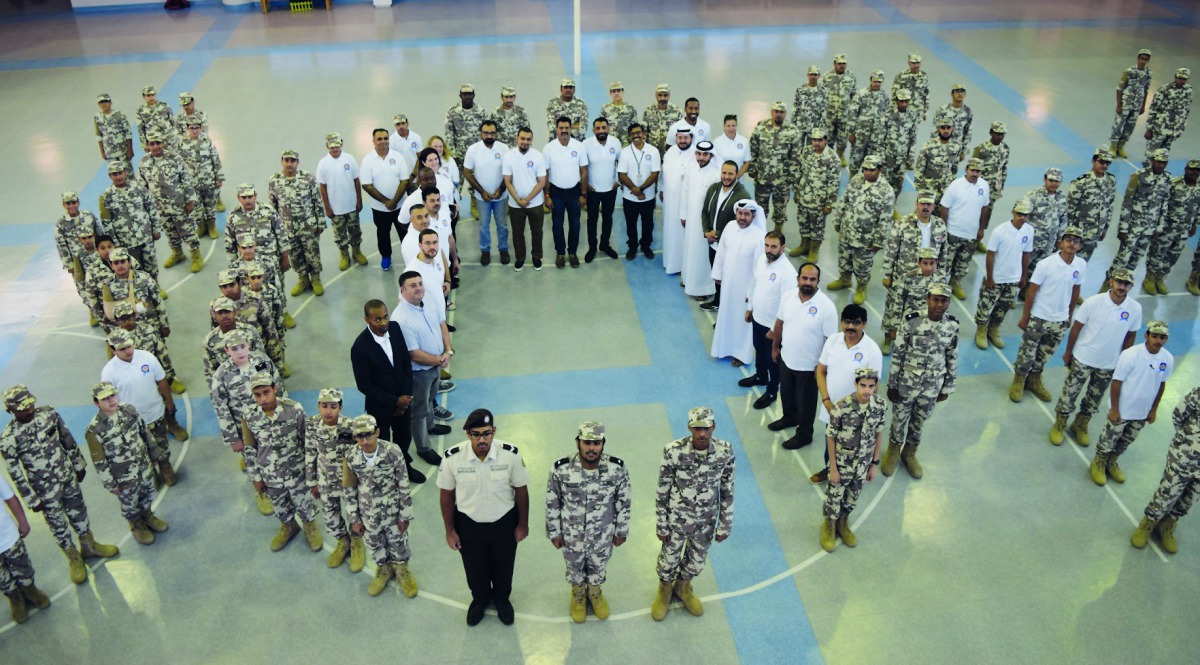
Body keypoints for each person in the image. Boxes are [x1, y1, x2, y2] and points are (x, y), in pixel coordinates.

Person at [0, 385, 119, 585]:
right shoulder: (8, 439)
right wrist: (31, 498)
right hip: (44, 492)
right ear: (10, 411)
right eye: (23, 408)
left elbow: (67, 439)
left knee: (79, 512)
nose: (29, 410)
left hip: (67, 477)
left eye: (30, 404)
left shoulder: (49, 415)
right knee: (58, 525)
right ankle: (73, 558)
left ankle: (89, 546)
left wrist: (78, 464)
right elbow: (15, 473)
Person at [438, 408, 530, 626]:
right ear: (467, 434)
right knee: (474, 568)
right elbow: (446, 495)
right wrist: (450, 530)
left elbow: (521, 491)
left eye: (487, 433)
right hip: (468, 524)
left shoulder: (510, 454)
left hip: (504, 522)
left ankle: (501, 599)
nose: (482, 439)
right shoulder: (453, 457)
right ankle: (479, 599)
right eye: (476, 434)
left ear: (494, 431)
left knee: (504, 566)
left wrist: (522, 524)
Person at [650, 406, 735, 621]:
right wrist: (661, 523)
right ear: (690, 427)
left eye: (706, 428)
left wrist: (725, 523)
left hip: (705, 522)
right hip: (676, 521)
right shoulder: (674, 451)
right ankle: (665, 590)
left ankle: (683, 587)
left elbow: (727, 490)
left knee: (696, 561)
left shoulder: (725, 452)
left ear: (713, 427)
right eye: (697, 428)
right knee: (668, 560)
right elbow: (662, 490)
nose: (702, 433)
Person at [545, 421, 631, 623]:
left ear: (603, 443)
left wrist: (621, 531)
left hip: (603, 534)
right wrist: (554, 532)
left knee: (598, 566)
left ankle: (595, 592)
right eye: (587, 442)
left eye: (596, 443)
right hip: (571, 535)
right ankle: (578, 595)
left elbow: (624, 501)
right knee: (574, 567)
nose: (591, 448)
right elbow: (552, 501)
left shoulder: (616, 469)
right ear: (578, 442)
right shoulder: (561, 469)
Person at [1049, 269, 1142, 446]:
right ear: (1111, 281)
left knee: (1094, 399)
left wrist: (1123, 362)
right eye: (1119, 282)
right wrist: (1068, 353)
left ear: (1131, 287)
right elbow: (1076, 328)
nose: (1121, 287)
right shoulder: (1094, 302)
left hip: (1108, 364)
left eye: (1126, 284)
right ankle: (1059, 424)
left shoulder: (1134, 309)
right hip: (1083, 358)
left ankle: (1080, 425)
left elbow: (1130, 336)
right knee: (1069, 394)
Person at [883, 283, 958, 479]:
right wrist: (892, 384)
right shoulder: (911, 321)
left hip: (931, 387)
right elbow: (898, 354)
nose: (939, 304)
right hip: (906, 384)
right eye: (936, 299)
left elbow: (951, 356)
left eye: (944, 301)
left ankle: (909, 453)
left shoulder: (952, 326)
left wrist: (947, 387)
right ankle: (893, 451)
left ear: (948, 302)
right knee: (899, 419)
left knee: (919, 421)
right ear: (928, 299)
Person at [242, 372, 322, 553]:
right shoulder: (249, 416)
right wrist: (256, 478)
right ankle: (288, 526)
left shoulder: (294, 410)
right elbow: (250, 449)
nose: (262, 399)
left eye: (266, 392)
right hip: (270, 474)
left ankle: (310, 526)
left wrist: (312, 473)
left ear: (275, 389)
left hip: (297, 471)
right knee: (279, 504)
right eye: (257, 395)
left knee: (304, 502)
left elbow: (308, 442)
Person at [350, 299, 426, 484]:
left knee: (403, 437)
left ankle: (404, 466)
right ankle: (388, 475)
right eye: (377, 319)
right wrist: (394, 401)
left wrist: (406, 398)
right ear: (366, 319)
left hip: (404, 400)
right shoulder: (360, 347)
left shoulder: (395, 329)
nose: (383, 322)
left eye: (385, 317)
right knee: (382, 442)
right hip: (380, 407)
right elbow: (364, 385)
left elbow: (405, 364)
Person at [344, 414, 419, 598]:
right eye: (360, 437)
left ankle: (402, 570)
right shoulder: (351, 457)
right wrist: (354, 519)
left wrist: (405, 515)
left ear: (377, 431)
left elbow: (403, 484)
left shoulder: (392, 452)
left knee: (398, 542)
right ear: (355, 437)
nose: (365, 441)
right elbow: (349, 489)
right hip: (368, 513)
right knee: (374, 543)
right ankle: (383, 569)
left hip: (393, 512)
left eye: (369, 435)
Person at [1090, 322, 1174, 486]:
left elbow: (1161, 384)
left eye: (1162, 337)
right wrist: (1114, 408)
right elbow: (1116, 382)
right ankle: (1098, 463)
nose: (1158, 340)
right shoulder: (1130, 354)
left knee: (1126, 440)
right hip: (1123, 409)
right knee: (1109, 439)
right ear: (1146, 336)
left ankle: (1111, 462)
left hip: (1142, 412)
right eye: (1154, 336)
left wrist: (1153, 410)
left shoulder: (1167, 358)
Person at [85, 381, 166, 545]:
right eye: (105, 399)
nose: (111, 401)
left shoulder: (129, 410)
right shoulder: (95, 430)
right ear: (96, 402)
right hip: (123, 477)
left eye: (112, 395)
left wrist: (154, 454)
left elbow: (145, 432)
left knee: (149, 491)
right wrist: (110, 483)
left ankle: (148, 515)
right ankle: (136, 525)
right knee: (130, 502)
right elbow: (99, 461)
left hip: (143, 465)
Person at [210, 330, 281, 515]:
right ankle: (261, 491)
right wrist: (233, 438)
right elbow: (221, 408)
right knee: (252, 459)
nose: (240, 352)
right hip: (245, 429)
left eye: (243, 346)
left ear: (249, 344)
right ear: (227, 350)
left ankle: (278, 481)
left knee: (275, 452)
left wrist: (283, 415)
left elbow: (279, 388)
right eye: (234, 349)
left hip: (270, 420)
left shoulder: (262, 361)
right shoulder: (221, 375)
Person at [1010, 226, 1086, 402]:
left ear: (1080, 246)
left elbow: (1075, 291)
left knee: (1044, 354)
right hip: (1039, 317)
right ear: (1061, 242)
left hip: (1059, 320)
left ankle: (1034, 380)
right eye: (1068, 239)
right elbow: (1032, 291)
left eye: (1076, 241)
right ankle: (1019, 380)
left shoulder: (1080, 265)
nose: (1072, 243)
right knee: (1027, 353)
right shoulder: (1046, 264)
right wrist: (1025, 316)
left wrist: (1069, 315)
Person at [810, 304, 883, 483]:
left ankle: (852, 479)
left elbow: (874, 386)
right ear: (841, 322)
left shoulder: (872, 351)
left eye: (856, 323)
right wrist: (826, 400)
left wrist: (858, 412)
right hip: (831, 408)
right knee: (831, 441)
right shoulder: (833, 341)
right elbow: (820, 371)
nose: (850, 327)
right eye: (847, 322)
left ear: (864, 324)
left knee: (852, 449)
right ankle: (829, 470)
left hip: (855, 413)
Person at [770, 263, 838, 449]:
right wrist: (775, 347)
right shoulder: (788, 297)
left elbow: (830, 341)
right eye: (804, 278)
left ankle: (805, 433)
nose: (807, 282)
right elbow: (779, 323)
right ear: (798, 279)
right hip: (787, 358)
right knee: (786, 393)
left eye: (812, 279)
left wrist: (821, 367)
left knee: (806, 403)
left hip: (809, 367)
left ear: (818, 281)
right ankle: (789, 417)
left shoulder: (826, 307)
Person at [100, 329, 180, 486]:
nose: (128, 351)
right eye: (122, 349)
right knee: (140, 450)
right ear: (113, 350)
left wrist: (169, 402)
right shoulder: (109, 372)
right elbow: (108, 401)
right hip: (132, 422)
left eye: (129, 346)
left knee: (161, 444)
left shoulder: (148, 358)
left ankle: (165, 467)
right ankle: (150, 473)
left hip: (155, 413)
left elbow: (161, 380)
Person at [819, 366, 886, 552]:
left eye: (871, 386)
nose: (866, 390)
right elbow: (830, 437)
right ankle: (829, 526)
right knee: (834, 497)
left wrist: (874, 463)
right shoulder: (841, 407)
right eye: (862, 385)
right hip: (841, 463)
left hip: (862, 464)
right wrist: (832, 468)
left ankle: (842, 522)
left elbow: (878, 434)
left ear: (875, 386)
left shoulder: (880, 406)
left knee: (852, 497)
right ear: (855, 384)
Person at [1131, 386, 1200, 554]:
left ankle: (1167, 525)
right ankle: (1148, 523)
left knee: (1191, 497)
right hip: (1184, 455)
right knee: (1168, 492)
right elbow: (1179, 414)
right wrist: (1185, 441)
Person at [395, 271, 453, 467]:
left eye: (420, 283)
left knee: (430, 399)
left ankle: (430, 425)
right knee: (418, 411)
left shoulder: (427, 300)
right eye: (413, 285)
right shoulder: (401, 319)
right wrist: (439, 360)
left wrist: (448, 350)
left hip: (436, 365)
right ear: (402, 290)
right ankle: (424, 448)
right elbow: (414, 354)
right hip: (419, 372)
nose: (419, 287)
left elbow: (441, 324)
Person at [880, 191, 948, 353]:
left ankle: (914, 339)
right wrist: (887, 274)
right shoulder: (902, 224)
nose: (925, 207)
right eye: (922, 203)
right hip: (903, 275)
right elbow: (891, 250)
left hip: (930, 277)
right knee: (894, 307)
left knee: (922, 309)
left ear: (933, 206)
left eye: (929, 204)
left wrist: (942, 276)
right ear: (916, 204)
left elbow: (944, 253)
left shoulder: (939, 226)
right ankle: (889, 337)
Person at [306, 388, 362, 572]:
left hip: (347, 483)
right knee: (330, 515)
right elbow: (310, 453)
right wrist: (312, 481)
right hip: (325, 481)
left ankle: (356, 544)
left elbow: (358, 456)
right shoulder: (313, 425)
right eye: (324, 406)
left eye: (333, 406)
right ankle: (342, 542)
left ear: (341, 407)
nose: (328, 411)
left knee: (354, 515)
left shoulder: (350, 427)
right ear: (318, 406)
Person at [827, 154, 894, 304]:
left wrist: (879, 241)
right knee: (844, 259)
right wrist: (837, 219)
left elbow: (886, 219)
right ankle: (844, 279)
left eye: (871, 170)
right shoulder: (856, 180)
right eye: (865, 169)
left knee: (862, 266)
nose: (867, 173)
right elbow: (844, 199)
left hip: (866, 238)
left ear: (880, 169)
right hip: (847, 230)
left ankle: (861, 288)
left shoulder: (886, 191)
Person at [741, 230, 796, 408]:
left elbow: (787, 304)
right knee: (759, 350)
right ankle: (760, 376)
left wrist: (775, 329)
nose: (769, 249)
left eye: (773, 246)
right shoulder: (762, 261)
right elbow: (754, 283)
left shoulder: (787, 272)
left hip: (772, 326)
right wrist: (750, 308)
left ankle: (772, 390)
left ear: (783, 248)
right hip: (758, 318)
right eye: (766, 245)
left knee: (773, 359)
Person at [710, 198, 766, 365]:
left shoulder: (759, 237)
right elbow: (721, 252)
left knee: (743, 322)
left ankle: (741, 354)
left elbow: (759, 270)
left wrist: (752, 293)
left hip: (745, 289)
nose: (742, 217)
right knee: (726, 315)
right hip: (728, 285)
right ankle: (722, 348)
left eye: (746, 214)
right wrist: (717, 274)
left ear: (753, 216)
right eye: (740, 213)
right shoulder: (729, 227)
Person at [137, 130, 201, 274]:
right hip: (159, 207)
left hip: (179, 204)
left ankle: (196, 255)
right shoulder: (144, 162)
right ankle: (178, 253)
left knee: (187, 230)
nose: (156, 147)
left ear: (163, 143)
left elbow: (186, 180)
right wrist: (146, 208)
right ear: (148, 145)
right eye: (152, 144)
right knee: (170, 232)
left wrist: (189, 201)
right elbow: (142, 186)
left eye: (158, 143)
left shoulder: (174, 158)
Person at [1105, 148, 1171, 285]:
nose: (1161, 165)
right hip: (1133, 227)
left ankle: (1123, 286)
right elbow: (1127, 202)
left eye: (1164, 162)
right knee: (1122, 258)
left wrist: (1159, 228)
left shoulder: (1167, 179)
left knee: (1136, 258)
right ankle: (1108, 284)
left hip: (1149, 229)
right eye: (1159, 162)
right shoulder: (1138, 176)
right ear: (1153, 160)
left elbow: (1164, 204)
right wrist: (1123, 228)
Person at [974, 198, 1034, 350]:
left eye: (1026, 215)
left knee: (1003, 307)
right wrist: (990, 277)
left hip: (1013, 279)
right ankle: (981, 330)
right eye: (1020, 214)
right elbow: (990, 254)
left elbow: (1026, 254)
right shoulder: (1000, 231)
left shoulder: (1029, 231)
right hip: (997, 277)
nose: (1023, 218)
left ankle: (993, 330)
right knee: (985, 306)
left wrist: (1023, 275)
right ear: (1013, 212)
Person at [269, 149, 327, 297]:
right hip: (288, 229)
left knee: (312, 254)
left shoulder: (308, 178)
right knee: (295, 256)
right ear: (281, 161)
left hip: (308, 226)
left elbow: (317, 202)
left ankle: (315, 279)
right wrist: (276, 230)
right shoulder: (274, 181)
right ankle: (303, 280)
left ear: (297, 162)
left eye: (292, 161)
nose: (289, 164)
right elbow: (273, 208)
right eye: (286, 160)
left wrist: (320, 223)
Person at [699, 161, 750, 310]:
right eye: (724, 173)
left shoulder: (742, 195)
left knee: (728, 278)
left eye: (730, 173)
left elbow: (743, 222)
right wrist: (706, 231)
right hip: (713, 243)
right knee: (717, 275)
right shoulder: (714, 189)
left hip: (729, 246)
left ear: (737, 175)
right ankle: (717, 301)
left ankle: (727, 309)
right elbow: (705, 212)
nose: (726, 177)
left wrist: (719, 234)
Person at [1, 474, 51, 624]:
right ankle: (15, 598)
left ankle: (30, 590)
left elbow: (10, 497)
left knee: (22, 566)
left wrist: (22, 522)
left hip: (8, 535)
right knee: (2, 579)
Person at [100, 160, 160, 284]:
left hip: (145, 236)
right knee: (132, 269)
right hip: (126, 241)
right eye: (114, 174)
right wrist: (114, 243)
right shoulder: (106, 196)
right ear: (110, 176)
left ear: (125, 172)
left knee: (151, 264)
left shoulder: (138, 188)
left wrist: (156, 229)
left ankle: (155, 286)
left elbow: (151, 208)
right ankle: (138, 292)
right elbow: (107, 222)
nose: (118, 176)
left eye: (120, 173)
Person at [938, 160, 991, 299]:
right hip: (953, 232)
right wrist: (944, 229)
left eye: (978, 171)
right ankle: (940, 287)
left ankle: (955, 283)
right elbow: (945, 207)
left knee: (963, 264)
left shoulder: (984, 186)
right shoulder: (956, 185)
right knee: (946, 263)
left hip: (971, 234)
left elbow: (985, 207)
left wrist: (981, 229)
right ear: (966, 169)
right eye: (972, 170)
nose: (975, 173)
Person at [360, 128, 410, 272]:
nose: (383, 141)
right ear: (373, 141)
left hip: (400, 205)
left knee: (405, 233)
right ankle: (386, 256)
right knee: (383, 233)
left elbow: (404, 180)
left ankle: (409, 256)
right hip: (379, 208)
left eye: (385, 138)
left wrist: (394, 201)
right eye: (379, 139)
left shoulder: (398, 157)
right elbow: (366, 185)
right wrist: (386, 202)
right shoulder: (367, 161)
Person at [463, 120, 510, 266]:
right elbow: (467, 172)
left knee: (502, 225)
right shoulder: (473, 149)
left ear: (496, 133)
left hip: (501, 196)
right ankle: (485, 251)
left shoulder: (504, 148)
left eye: (492, 133)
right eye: (486, 132)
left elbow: (509, 172)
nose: (489, 135)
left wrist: (501, 189)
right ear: (480, 133)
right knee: (484, 225)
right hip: (481, 197)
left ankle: (503, 249)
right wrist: (482, 191)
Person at [1149, 159, 1200, 294]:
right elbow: (1161, 205)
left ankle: (1160, 278)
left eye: (1197, 170)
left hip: (1184, 230)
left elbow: (1198, 208)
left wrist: (1194, 224)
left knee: (1173, 256)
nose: (1195, 172)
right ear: (1185, 170)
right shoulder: (1173, 184)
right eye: (1192, 169)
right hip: (1167, 228)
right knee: (1157, 253)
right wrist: (1158, 226)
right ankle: (1150, 278)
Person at [544, 116, 589, 268]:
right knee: (557, 225)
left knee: (575, 224)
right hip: (556, 193)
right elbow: (545, 173)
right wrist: (547, 195)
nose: (564, 131)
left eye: (567, 128)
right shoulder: (549, 148)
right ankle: (560, 253)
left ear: (571, 129)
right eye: (561, 128)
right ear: (556, 129)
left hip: (574, 192)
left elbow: (584, 171)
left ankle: (573, 252)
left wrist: (583, 194)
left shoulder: (579, 146)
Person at [317, 132, 366, 270]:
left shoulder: (349, 159)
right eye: (331, 147)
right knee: (340, 234)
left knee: (355, 231)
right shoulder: (323, 164)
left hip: (351, 205)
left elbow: (356, 180)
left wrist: (359, 200)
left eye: (337, 146)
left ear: (341, 144)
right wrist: (327, 207)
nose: (334, 149)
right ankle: (344, 255)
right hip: (336, 208)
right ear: (327, 146)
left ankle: (357, 252)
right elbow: (322, 187)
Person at [791, 129, 841, 262]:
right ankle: (804, 245)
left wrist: (829, 204)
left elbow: (834, 183)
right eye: (814, 140)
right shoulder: (806, 151)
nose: (816, 143)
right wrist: (796, 191)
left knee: (817, 227)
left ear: (826, 140)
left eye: (820, 140)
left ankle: (814, 250)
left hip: (819, 201)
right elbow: (799, 171)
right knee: (803, 222)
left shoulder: (832, 158)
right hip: (803, 196)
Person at [502, 127, 548, 272]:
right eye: (522, 138)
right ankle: (520, 258)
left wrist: (527, 199)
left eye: (528, 139)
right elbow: (507, 181)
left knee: (537, 231)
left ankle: (536, 257)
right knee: (517, 232)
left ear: (531, 141)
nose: (525, 142)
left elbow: (542, 182)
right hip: (515, 204)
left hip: (535, 203)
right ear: (517, 138)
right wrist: (518, 200)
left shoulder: (538, 156)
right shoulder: (509, 156)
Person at [1019, 167, 1069, 300]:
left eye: (1057, 181)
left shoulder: (1062, 198)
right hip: (1032, 241)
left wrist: (1060, 239)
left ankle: (1027, 291)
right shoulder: (1034, 195)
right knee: (1022, 266)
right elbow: (1023, 216)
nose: (1053, 183)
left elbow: (1063, 219)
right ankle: (1012, 292)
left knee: (1038, 269)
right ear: (1045, 179)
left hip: (1050, 243)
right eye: (1051, 180)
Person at [55, 192, 105, 324]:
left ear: (78, 202)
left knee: (101, 282)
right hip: (78, 262)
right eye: (68, 203)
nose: (71, 206)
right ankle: (92, 311)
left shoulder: (89, 216)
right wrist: (68, 264)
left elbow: (100, 233)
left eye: (73, 202)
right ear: (63, 205)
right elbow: (61, 245)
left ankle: (105, 308)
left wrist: (105, 252)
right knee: (83, 287)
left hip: (95, 256)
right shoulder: (61, 223)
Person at [681, 141, 720, 299]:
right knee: (690, 250)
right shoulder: (692, 169)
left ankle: (702, 288)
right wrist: (683, 214)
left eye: (705, 154)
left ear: (711, 155)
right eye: (698, 154)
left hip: (705, 224)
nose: (701, 157)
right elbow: (685, 191)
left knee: (702, 254)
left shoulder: (716, 175)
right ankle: (689, 280)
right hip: (691, 219)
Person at [617, 122, 660, 260]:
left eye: (638, 133)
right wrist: (634, 189)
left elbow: (655, 174)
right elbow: (622, 175)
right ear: (629, 136)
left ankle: (646, 245)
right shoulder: (625, 152)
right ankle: (633, 246)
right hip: (629, 197)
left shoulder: (653, 151)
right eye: (633, 134)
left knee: (648, 223)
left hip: (648, 196)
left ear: (643, 134)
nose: (636, 136)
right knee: (631, 223)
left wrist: (640, 189)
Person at [1066, 147, 1117, 261]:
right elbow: (1070, 209)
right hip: (1078, 233)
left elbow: (1109, 206)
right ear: (1093, 161)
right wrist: (1068, 235)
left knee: (1083, 264)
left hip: (1095, 233)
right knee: (1069, 262)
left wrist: (1105, 229)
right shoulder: (1081, 182)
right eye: (1101, 162)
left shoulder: (1111, 180)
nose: (1104, 165)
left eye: (1107, 163)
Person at [582, 117, 621, 263]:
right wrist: (584, 186)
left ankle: (605, 245)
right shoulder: (586, 144)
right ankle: (592, 248)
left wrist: (618, 181)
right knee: (592, 219)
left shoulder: (615, 143)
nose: (601, 131)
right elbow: (581, 167)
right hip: (593, 190)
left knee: (608, 218)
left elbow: (621, 163)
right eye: (598, 128)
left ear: (608, 128)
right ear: (593, 131)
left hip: (610, 189)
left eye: (603, 128)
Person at [179, 115, 224, 240]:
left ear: (201, 128)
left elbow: (216, 160)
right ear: (187, 129)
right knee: (197, 208)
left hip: (208, 181)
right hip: (192, 184)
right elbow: (179, 165)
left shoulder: (207, 141)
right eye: (191, 128)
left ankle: (212, 226)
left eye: (197, 127)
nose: (194, 130)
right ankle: (201, 226)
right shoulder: (182, 144)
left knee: (210, 206)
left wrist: (218, 178)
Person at [660, 128, 695, 273]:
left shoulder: (695, 154)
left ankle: (683, 266)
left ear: (691, 138)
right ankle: (670, 262)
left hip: (686, 203)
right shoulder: (671, 152)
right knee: (670, 230)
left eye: (685, 138)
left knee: (683, 233)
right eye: (680, 138)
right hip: (670, 201)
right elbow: (664, 173)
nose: (682, 141)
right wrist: (662, 189)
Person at [972, 122, 1010, 250]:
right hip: (980, 189)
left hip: (994, 189)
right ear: (991, 133)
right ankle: (969, 239)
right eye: (997, 133)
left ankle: (978, 239)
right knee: (974, 213)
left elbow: (1004, 169)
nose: (999, 136)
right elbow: (972, 169)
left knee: (986, 215)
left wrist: (1001, 186)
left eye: (1002, 134)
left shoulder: (1005, 149)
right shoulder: (981, 149)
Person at [1143, 68, 1192, 165]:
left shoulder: (1188, 91)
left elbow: (1186, 109)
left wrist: (1182, 126)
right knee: (1152, 152)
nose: (1182, 81)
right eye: (1180, 78)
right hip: (1159, 127)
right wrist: (1149, 128)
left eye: (1184, 79)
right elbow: (1153, 108)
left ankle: (1159, 170)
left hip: (1174, 128)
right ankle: (1148, 168)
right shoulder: (1165, 89)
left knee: (1165, 152)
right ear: (1175, 77)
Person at [1110, 49, 1153, 158]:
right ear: (1138, 59)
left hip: (1136, 105)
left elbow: (1146, 90)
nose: (1143, 61)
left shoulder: (1148, 73)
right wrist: (1119, 105)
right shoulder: (1129, 71)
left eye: (1146, 59)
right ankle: (1113, 146)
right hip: (1125, 103)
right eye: (1141, 58)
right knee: (1118, 125)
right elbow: (1119, 89)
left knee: (1130, 127)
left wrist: (1143, 105)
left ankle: (1121, 146)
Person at [880, 89, 920, 199]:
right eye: (901, 101)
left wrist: (910, 158)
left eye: (906, 101)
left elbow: (913, 139)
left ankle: (892, 204)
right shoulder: (887, 115)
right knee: (883, 183)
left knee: (898, 183)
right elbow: (880, 138)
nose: (903, 104)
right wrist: (881, 156)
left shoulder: (912, 116)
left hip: (902, 158)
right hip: (887, 157)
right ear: (896, 101)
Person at [846, 70, 889, 173]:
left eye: (879, 82)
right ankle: (852, 178)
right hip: (860, 134)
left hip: (875, 135)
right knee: (856, 157)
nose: (876, 84)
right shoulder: (861, 94)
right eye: (875, 81)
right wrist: (850, 132)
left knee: (871, 160)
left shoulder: (884, 96)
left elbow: (886, 115)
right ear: (870, 80)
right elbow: (852, 113)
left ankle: (866, 179)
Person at [912, 120, 961, 205]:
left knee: (942, 215)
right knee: (924, 214)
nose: (946, 130)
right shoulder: (928, 146)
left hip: (945, 189)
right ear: (938, 129)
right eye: (943, 128)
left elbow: (954, 168)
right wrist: (920, 188)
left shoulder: (956, 147)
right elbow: (919, 169)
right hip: (929, 188)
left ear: (953, 129)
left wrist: (951, 185)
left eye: (948, 128)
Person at [445, 84, 488, 177]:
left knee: (477, 184)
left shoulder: (481, 112)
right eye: (465, 94)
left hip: (477, 155)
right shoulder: (452, 112)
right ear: (460, 95)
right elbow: (449, 134)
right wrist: (453, 155)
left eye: (470, 94)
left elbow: (487, 133)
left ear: (474, 95)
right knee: (456, 184)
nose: (467, 97)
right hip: (459, 156)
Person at [822, 54, 857, 165]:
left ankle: (840, 154)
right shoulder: (827, 76)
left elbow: (854, 95)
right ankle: (830, 156)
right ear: (834, 64)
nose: (842, 66)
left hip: (844, 115)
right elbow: (822, 94)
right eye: (839, 63)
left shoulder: (851, 77)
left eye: (844, 63)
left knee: (842, 140)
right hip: (830, 115)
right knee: (829, 139)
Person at [930, 83, 972, 161]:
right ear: (952, 94)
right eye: (957, 91)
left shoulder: (968, 111)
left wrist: (963, 151)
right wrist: (934, 148)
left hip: (956, 149)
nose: (960, 94)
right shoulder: (942, 110)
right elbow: (935, 130)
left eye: (962, 91)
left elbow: (967, 132)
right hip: (941, 148)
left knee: (953, 172)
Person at [891, 53, 931, 129]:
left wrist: (926, 111)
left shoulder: (924, 76)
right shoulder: (901, 75)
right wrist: (894, 110)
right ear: (909, 63)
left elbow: (926, 94)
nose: (916, 65)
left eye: (918, 63)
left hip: (917, 112)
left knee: (913, 133)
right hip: (903, 111)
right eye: (913, 63)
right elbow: (894, 95)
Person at [642, 83, 682, 156]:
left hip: (670, 152)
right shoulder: (648, 111)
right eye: (660, 95)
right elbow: (644, 133)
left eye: (665, 95)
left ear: (669, 96)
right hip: (652, 152)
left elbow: (681, 133)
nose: (662, 98)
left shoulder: (676, 111)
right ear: (656, 96)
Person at [793, 66, 829, 146]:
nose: (813, 77)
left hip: (814, 126)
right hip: (800, 124)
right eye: (811, 74)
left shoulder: (823, 90)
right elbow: (795, 106)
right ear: (808, 75)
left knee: (812, 148)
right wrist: (793, 123)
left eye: (815, 75)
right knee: (797, 146)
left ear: (819, 76)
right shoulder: (800, 89)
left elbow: (824, 109)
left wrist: (821, 127)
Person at [94, 92, 133, 165]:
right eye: (101, 102)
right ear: (98, 104)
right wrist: (102, 152)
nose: (104, 104)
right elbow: (99, 136)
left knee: (128, 173)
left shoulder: (119, 115)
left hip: (123, 151)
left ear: (110, 103)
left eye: (106, 101)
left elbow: (128, 133)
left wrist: (130, 150)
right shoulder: (97, 118)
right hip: (110, 152)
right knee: (115, 173)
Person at [135, 85, 175, 153]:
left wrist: (175, 135)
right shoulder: (141, 110)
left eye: (153, 95)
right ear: (144, 96)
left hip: (168, 138)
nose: (151, 97)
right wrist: (144, 145)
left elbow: (172, 121)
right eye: (148, 95)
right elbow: (140, 128)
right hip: (153, 142)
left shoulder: (164, 105)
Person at [600, 81, 638, 146]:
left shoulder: (630, 108)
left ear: (623, 92)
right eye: (614, 91)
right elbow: (601, 127)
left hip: (626, 144)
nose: (616, 93)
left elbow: (635, 127)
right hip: (610, 144)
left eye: (618, 91)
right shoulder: (605, 109)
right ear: (610, 93)